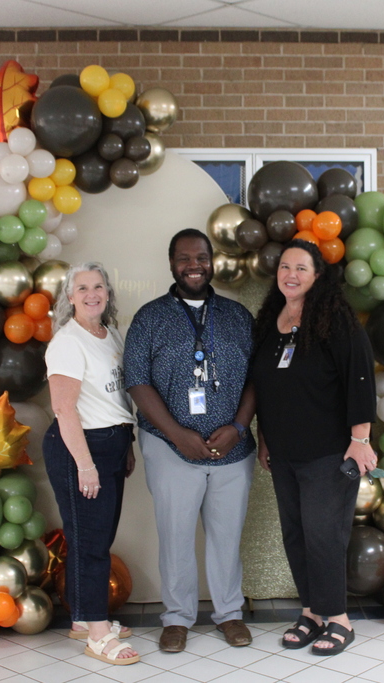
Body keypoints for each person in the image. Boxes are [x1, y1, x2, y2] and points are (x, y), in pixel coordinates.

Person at [124, 229, 257, 653]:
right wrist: (177, 434)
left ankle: (229, 614)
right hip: (169, 448)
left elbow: (258, 379)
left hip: (233, 449)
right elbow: (137, 381)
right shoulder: (150, 317)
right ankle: (177, 617)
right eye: (184, 258)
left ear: (212, 261)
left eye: (201, 256)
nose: (194, 264)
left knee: (226, 535)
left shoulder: (238, 316)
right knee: (176, 535)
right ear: (171, 264)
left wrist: (237, 427)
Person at [250, 239, 377, 656]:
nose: (291, 274)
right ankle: (311, 612)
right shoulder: (272, 320)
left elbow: (361, 379)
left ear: (318, 276)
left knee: (325, 535)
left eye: (301, 268)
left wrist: (360, 440)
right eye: (285, 267)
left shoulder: (336, 322)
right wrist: (265, 439)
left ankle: (337, 618)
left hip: (329, 452)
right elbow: (267, 387)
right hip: (284, 452)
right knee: (296, 535)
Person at [42, 262, 139, 666]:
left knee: (97, 537)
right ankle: (98, 634)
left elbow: (115, 399)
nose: (92, 294)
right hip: (80, 449)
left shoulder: (108, 333)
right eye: (82, 288)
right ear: (69, 297)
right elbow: (64, 409)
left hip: (111, 445)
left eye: (98, 286)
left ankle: (83, 617)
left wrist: (127, 444)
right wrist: (85, 465)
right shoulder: (67, 342)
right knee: (91, 542)